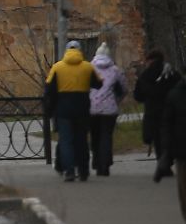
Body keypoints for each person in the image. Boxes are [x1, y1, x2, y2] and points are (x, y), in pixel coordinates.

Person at [44, 39, 103, 181]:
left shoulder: (57, 67)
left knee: (66, 141)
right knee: (81, 140)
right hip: (82, 108)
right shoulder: (88, 67)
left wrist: (49, 110)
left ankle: (69, 171)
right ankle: (83, 171)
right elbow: (98, 84)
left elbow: (49, 90)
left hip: (63, 109)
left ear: (66, 51)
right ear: (80, 50)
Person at [134, 48, 180, 179]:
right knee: (170, 136)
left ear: (150, 60)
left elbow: (138, 96)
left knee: (158, 139)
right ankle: (168, 161)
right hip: (171, 110)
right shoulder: (171, 72)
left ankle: (162, 162)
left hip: (153, 111)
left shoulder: (145, 75)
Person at [88, 44, 128, 176]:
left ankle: (97, 161)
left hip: (91, 109)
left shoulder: (89, 68)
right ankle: (104, 165)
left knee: (95, 136)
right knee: (106, 136)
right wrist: (116, 101)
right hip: (109, 110)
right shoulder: (115, 70)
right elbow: (123, 89)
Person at [165, 73, 186, 224]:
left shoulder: (174, 94)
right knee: (183, 185)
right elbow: (167, 124)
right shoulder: (175, 95)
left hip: (180, 145)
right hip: (181, 147)